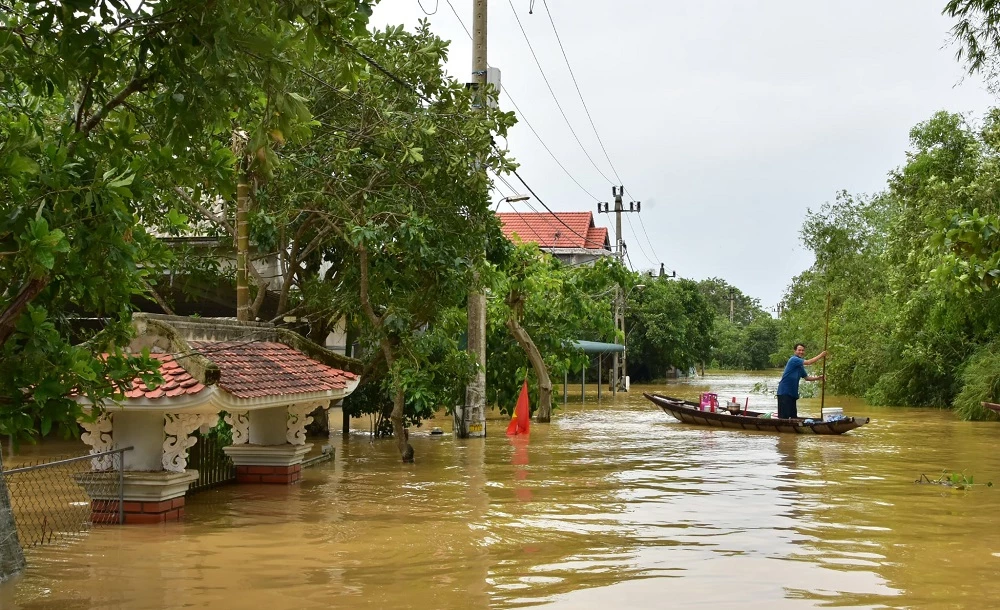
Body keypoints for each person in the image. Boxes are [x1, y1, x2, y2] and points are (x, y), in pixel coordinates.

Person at [776, 343, 826, 419]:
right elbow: (809, 362)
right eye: (799, 350)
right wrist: (821, 355)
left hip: (792, 393)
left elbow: (806, 378)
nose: (801, 352)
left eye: (803, 350)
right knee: (784, 417)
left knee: (793, 417)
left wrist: (818, 378)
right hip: (784, 392)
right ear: (795, 351)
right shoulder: (793, 359)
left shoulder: (800, 366)